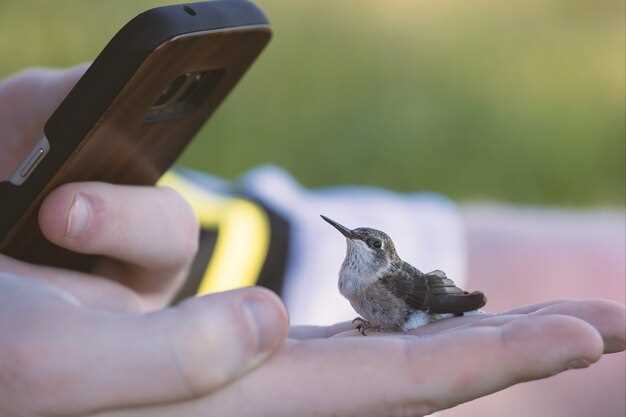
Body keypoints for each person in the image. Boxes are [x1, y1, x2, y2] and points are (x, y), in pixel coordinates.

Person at [0, 66, 623, 417]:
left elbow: (417, 301)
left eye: (364, 243)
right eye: (355, 241)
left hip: (225, 246)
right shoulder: (350, 278)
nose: (352, 245)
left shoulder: (388, 279)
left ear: (381, 256)